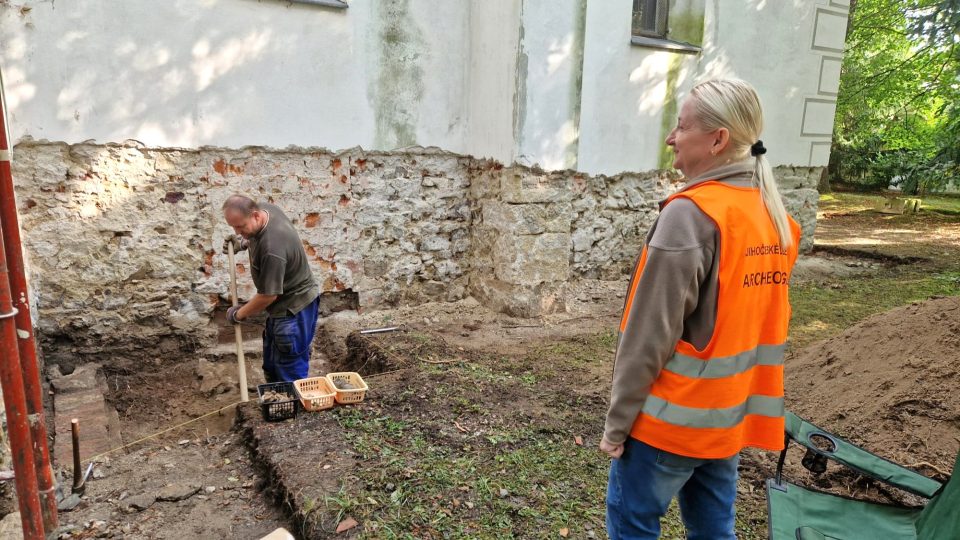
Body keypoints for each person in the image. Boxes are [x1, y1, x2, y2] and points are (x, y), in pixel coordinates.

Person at [600, 79, 801, 539]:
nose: (671, 137)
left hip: (668, 427)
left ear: (717, 140)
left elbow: (648, 336)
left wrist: (616, 426)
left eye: (682, 126)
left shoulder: (690, 215)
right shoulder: (773, 217)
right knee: (714, 530)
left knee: (633, 525)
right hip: (727, 421)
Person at [221, 195, 320, 383]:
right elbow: (257, 236)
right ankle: (274, 401)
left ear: (256, 216)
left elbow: (268, 296)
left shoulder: (272, 248)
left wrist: (238, 314)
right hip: (282, 307)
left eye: (240, 227)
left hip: (294, 309)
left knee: (288, 367)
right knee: (273, 363)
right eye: (233, 227)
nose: (237, 231)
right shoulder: (266, 210)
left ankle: (292, 407)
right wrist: (243, 242)